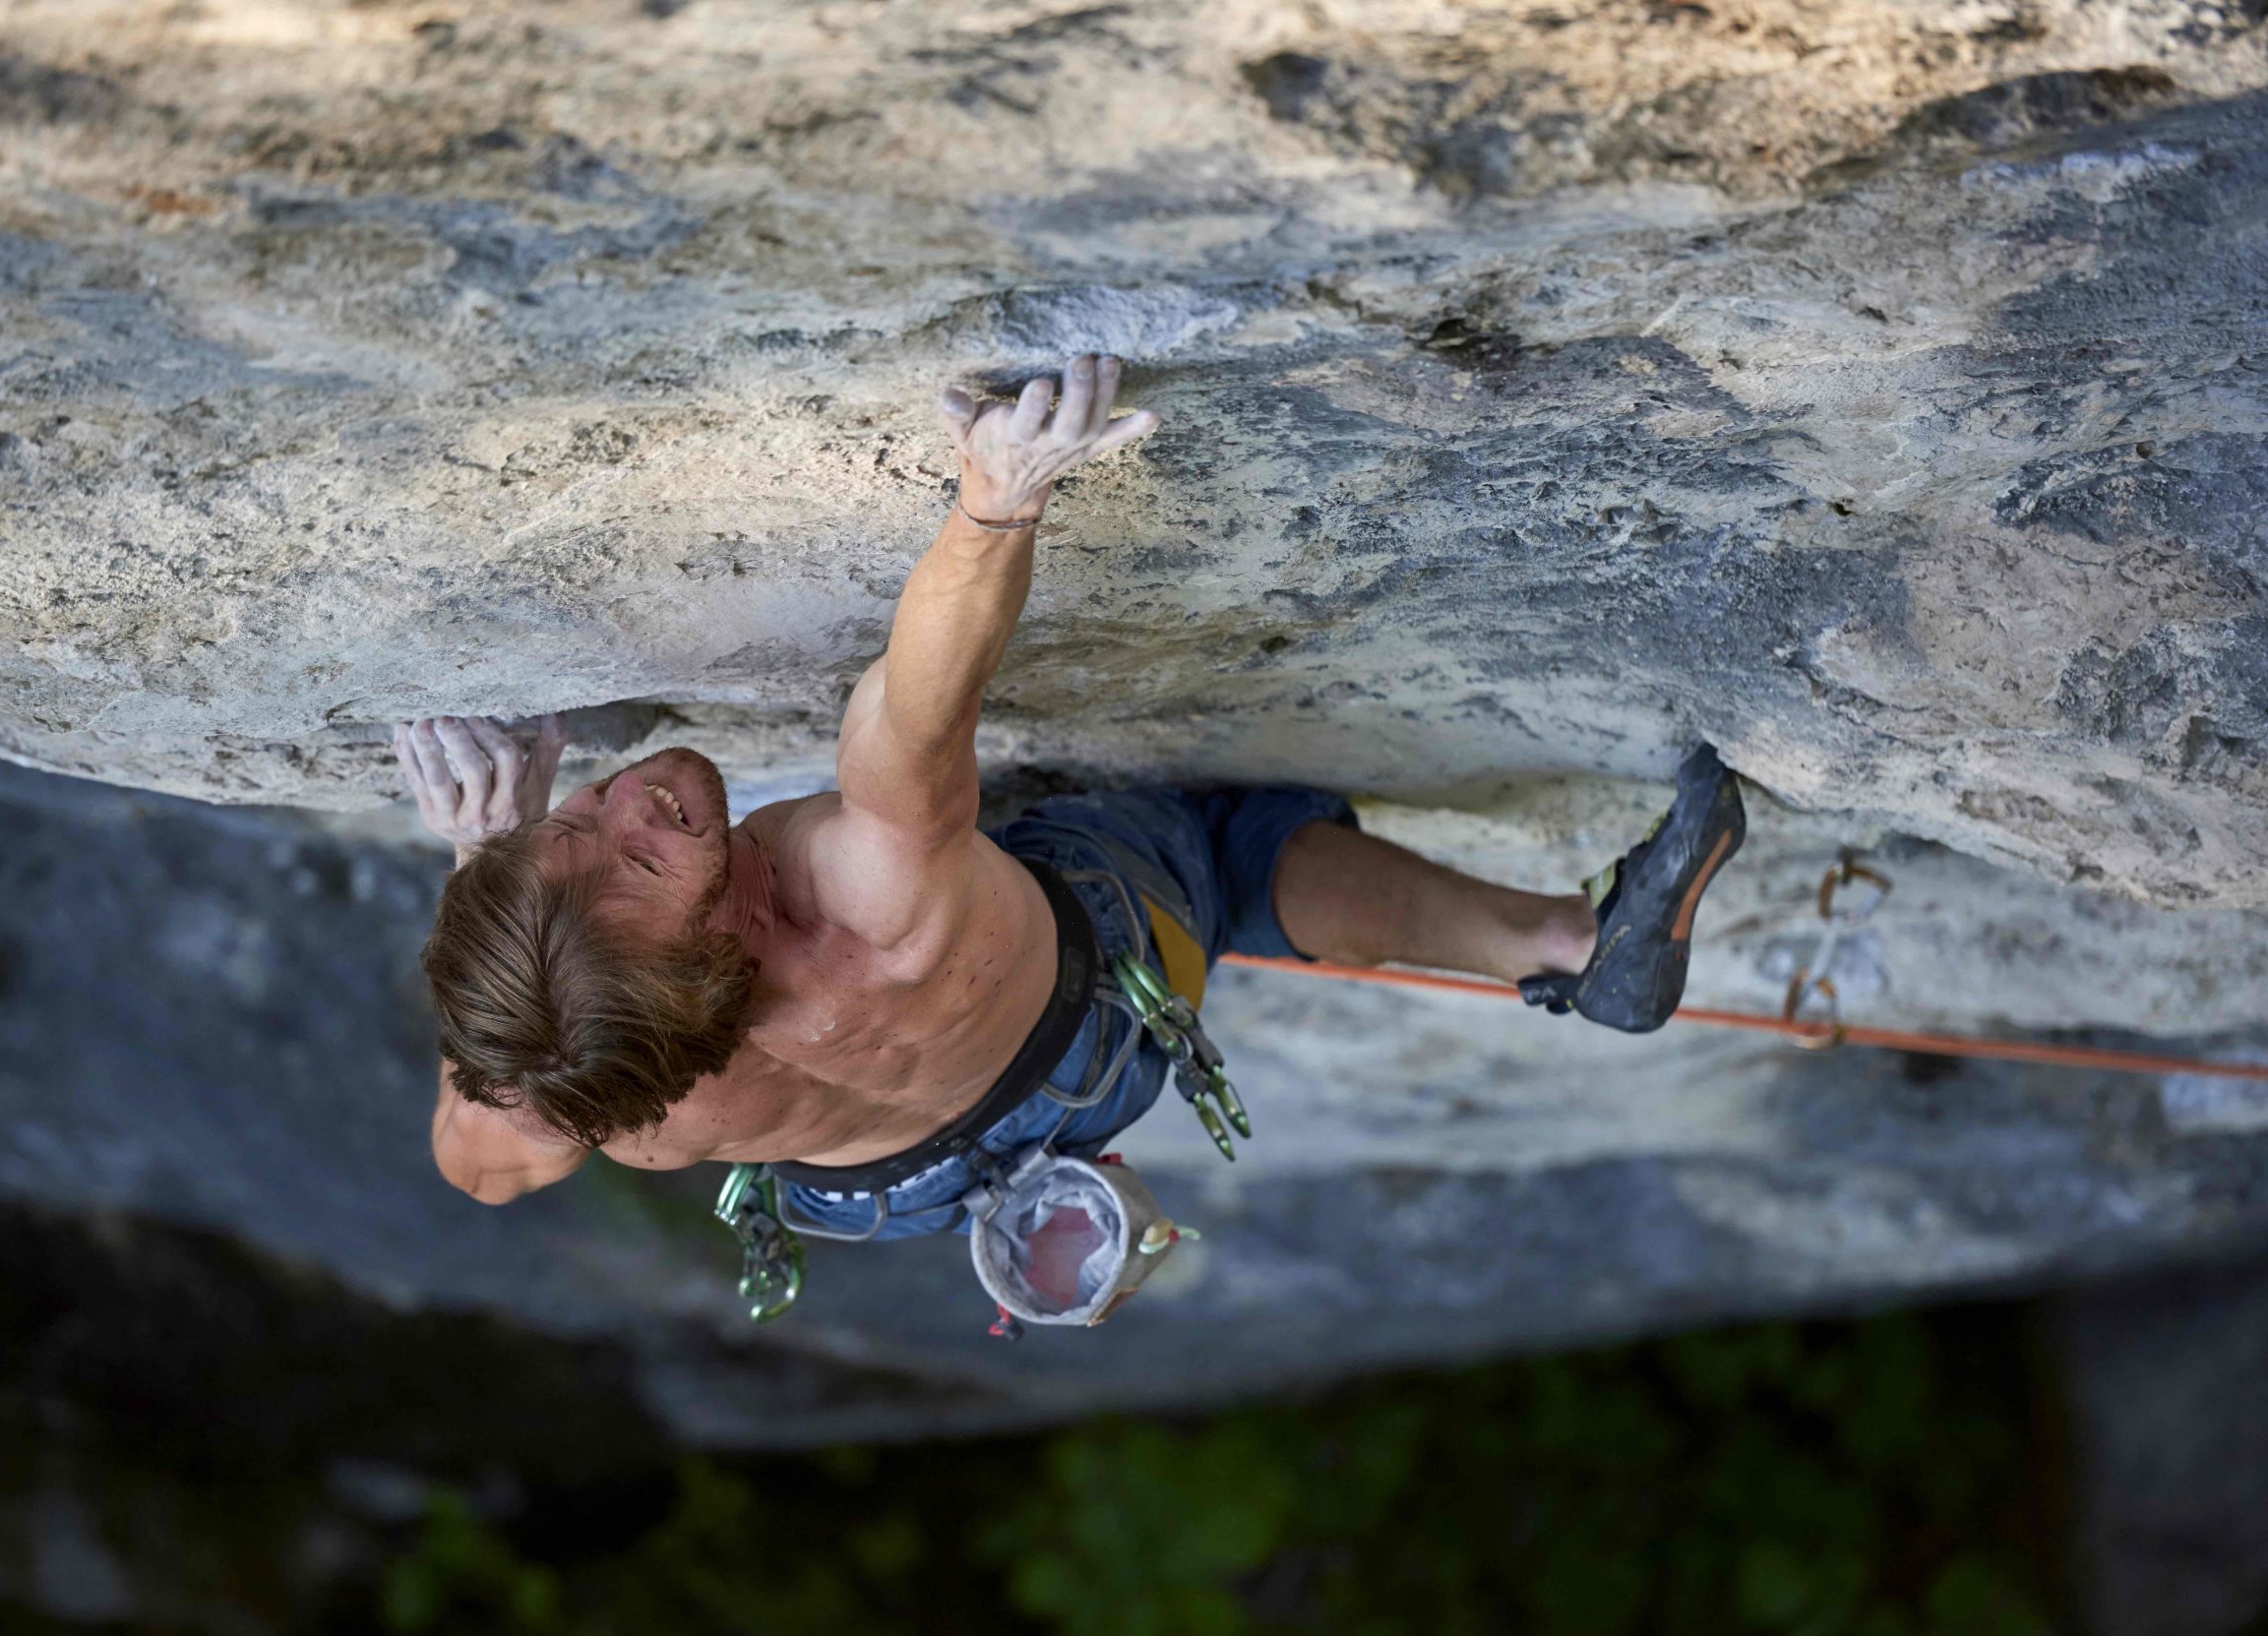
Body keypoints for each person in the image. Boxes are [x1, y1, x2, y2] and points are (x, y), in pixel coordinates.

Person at [396, 355, 1744, 1237]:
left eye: (574, 824)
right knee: (1218, 848)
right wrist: (995, 501)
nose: (634, 800)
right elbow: (917, 713)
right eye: (646, 862)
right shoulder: (875, 898)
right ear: (718, 956)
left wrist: (483, 857)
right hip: (1089, 1031)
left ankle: (1572, 952)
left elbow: (477, 1162)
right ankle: (1561, 943)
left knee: (1203, 906)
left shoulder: (605, 1096)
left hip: (897, 1194)